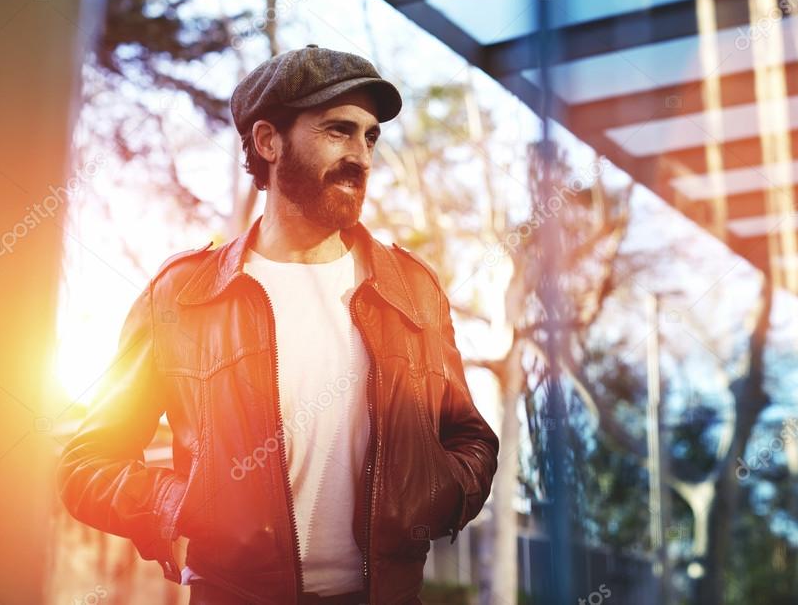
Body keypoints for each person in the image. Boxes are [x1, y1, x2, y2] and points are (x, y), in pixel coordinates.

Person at [57, 45, 499, 605]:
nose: (361, 156)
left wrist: (434, 495)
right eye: (339, 131)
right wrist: (176, 508)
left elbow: (470, 437)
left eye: (370, 138)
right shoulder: (181, 296)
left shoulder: (412, 290)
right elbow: (86, 464)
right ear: (268, 142)